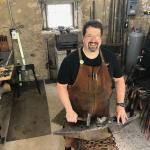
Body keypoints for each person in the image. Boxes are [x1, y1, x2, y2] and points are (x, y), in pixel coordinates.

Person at [56, 20, 128, 150]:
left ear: (101, 38)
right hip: (77, 115)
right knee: (69, 140)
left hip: (101, 116)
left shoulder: (110, 57)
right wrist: (69, 110)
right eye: (89, 35)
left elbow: (119, 80)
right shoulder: (70, 61)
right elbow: (61, 86)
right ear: (83, 38)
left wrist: (120, 105)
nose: (93, 39)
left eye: (97, 36)